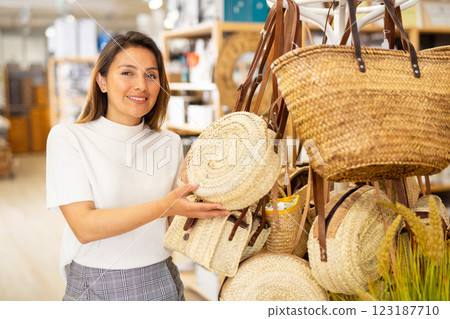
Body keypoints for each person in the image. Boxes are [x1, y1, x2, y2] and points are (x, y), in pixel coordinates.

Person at [46, 31, 228, 301]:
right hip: (96, 284)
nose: (141, 85)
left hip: (161, 279)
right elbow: (85, 227)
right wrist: (166, 205)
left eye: (151, 75)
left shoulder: (169, 142)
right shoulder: (68, 138)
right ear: (102, 80)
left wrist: (204, 190)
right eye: (127, 73)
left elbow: (170, 227)